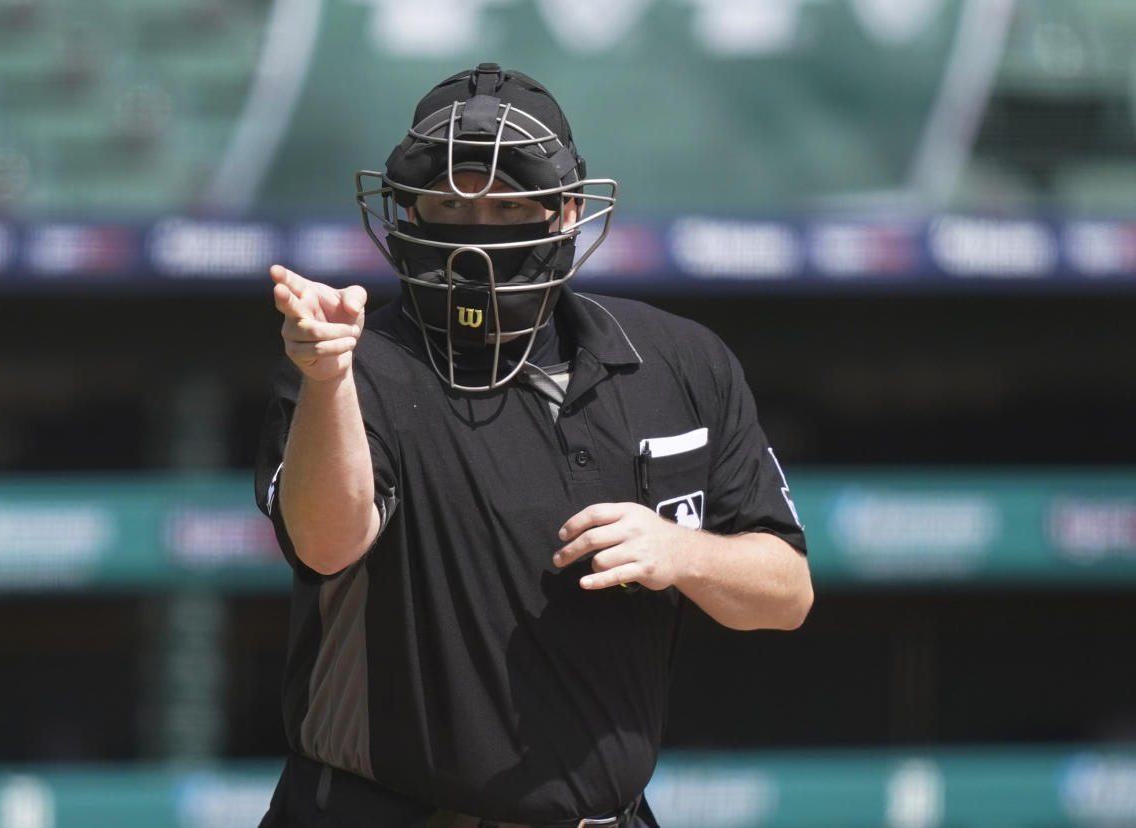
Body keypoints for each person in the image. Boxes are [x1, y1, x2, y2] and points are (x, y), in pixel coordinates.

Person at [255, 62, 812, 828]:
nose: (474, 236)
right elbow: (325, 544)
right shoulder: (357, 365)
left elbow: (786, 594)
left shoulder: (680, 361)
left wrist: (685, 554)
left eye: (507, 205)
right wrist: (324, 377)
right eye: (447, 203)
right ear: (404, 212)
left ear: (565, 211)